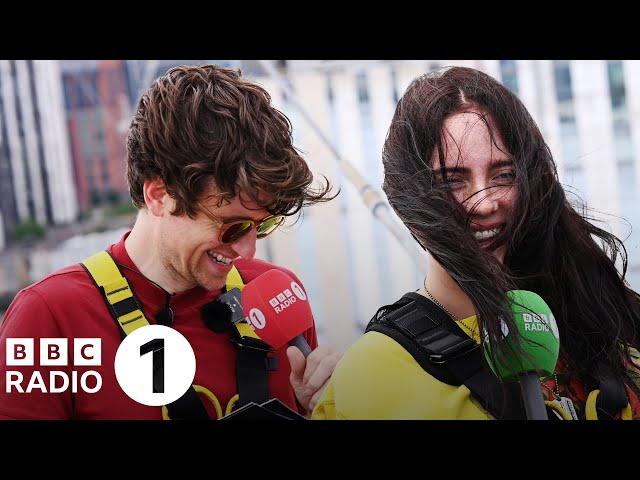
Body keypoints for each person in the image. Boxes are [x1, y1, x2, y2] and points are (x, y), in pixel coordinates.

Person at [0, 65, 341, 419]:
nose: (248, 250)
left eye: (263, 225)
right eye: (231, 227)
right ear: (159, 196)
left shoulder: (276, 293)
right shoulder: (49, 321)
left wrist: (318, 411)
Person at [312, 66, 640, 420]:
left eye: (504, 175)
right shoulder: (372, 376)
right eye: (452, 180)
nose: (484, 203)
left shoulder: (598, 304)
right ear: (409, 197)